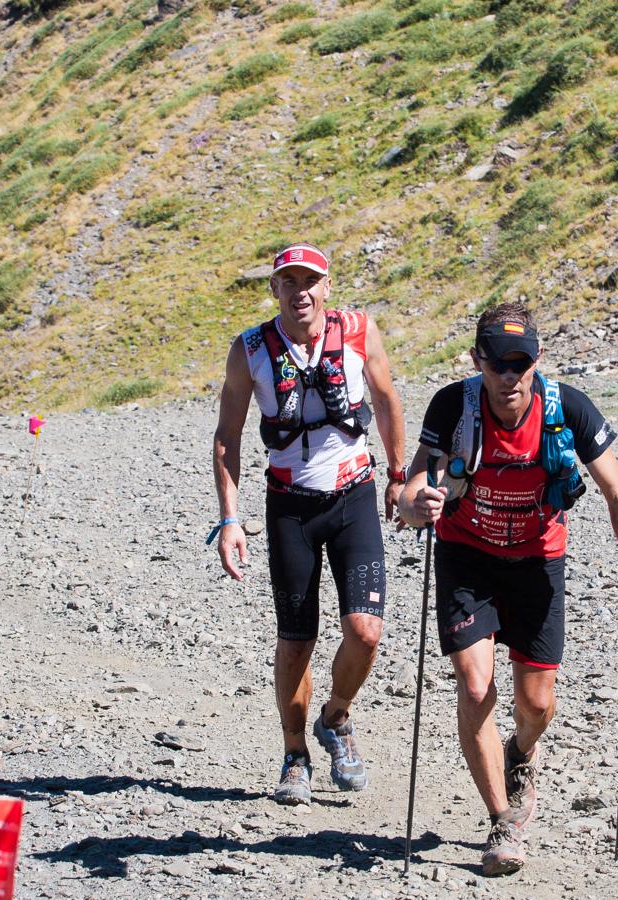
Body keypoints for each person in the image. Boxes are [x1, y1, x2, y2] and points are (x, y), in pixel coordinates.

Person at [398, 302, 618, 876]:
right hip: (467, 556)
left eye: (521, 362)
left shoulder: (569, 408)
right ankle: (502, 819)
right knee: (475, 684)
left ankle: (520, 752)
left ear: (536, 359)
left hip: (539, 560)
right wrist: (416, 503)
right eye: (497, 363)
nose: (510, 376)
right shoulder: (454, 405)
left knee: (536, 706)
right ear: (477, 360)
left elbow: (616, 490)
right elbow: (413, 486)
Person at [212, 242, 407, 806]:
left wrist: (397, 475)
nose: (300, 292)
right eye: (288, 283)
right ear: (274, 290)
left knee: (366, 630)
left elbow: (388, 399)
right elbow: (227, 438)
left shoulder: (359, 330)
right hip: (289, 505)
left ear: (327, 287)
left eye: (310, 281)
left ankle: (336, 718)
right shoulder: (249, 350)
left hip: (354, 496)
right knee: (296, 641)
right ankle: (294, 752)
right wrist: (231, 518)